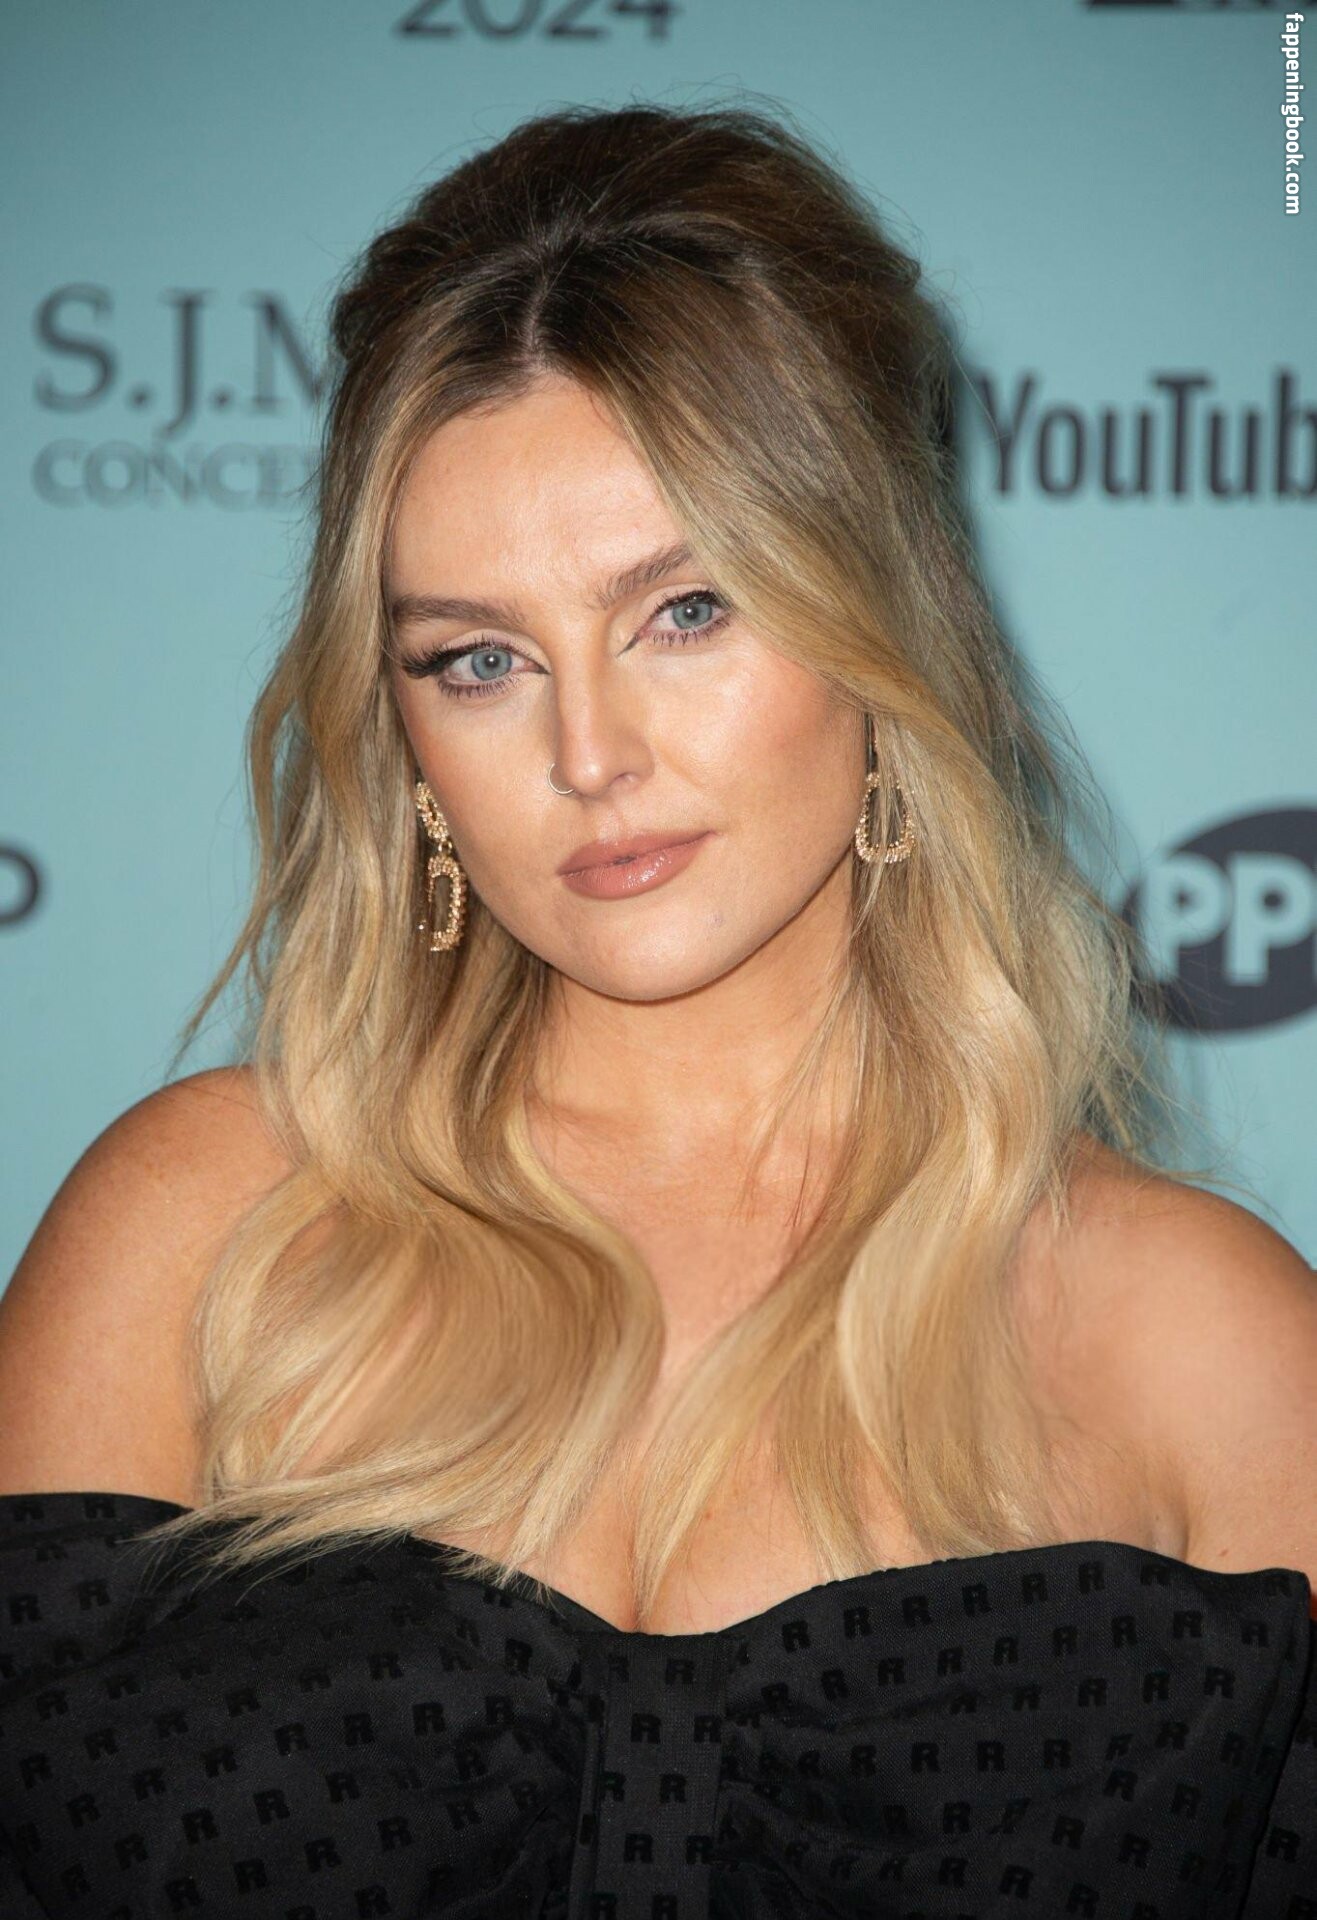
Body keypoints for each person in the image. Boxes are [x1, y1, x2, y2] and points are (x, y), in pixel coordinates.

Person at [0, 99, 1312, 1919]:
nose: (587, 752)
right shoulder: (193, 1229)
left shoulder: (1203, 1340)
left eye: (683, 611)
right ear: (403, 735)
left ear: (882, 625)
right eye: (479, 659)